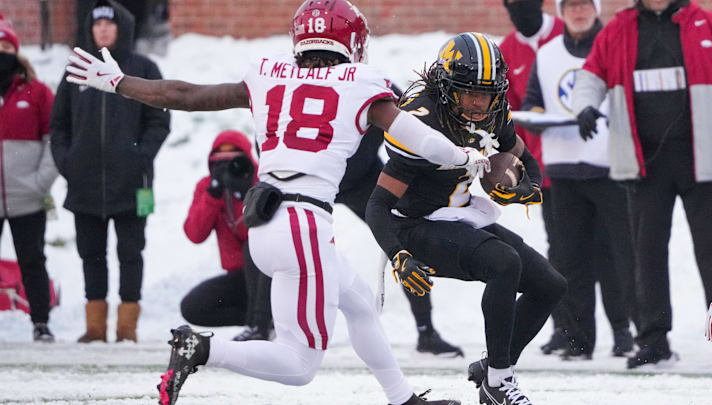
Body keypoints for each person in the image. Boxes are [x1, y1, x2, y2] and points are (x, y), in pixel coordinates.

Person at [64, 1, 488, 403]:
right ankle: (203, 349)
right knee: (300, 363)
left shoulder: (269, 74)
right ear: (352, 41)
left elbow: (185, 94)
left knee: (359, 303)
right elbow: (416, 137)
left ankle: (402, 398)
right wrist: (464, 157)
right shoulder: (362, 83)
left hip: (266, 219)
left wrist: (119, 82)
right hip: (303, 222)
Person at [365, 33, 567, 405]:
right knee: (504, 263)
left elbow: (527, 161)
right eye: (468, 92)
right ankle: (499, 382)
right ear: (445, 89)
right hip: (415, 225)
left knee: (550, 285)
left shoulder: (493, 111)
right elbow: (377, 206)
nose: (478, 103)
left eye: (486, 93)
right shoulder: (420, 121)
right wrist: (398, 254)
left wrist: (527, 187)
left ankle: (492, 368)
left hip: (459, 213)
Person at [236, 83, 464, 358]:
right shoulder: (295, 84)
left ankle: (426, 330)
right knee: (269, 225)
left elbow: (412, 120)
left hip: (359, 177)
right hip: (311, 181)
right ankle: (260, 325)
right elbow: (267, 134)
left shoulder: (371, 84)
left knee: (404, 240)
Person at [572, 0, 712, 367]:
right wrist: (585, 107)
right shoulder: (618, 29)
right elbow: (590, 76)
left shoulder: (708, 24)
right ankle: (654, 341)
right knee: (647, 253)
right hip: (644, 162)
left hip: (704, 159)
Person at [521, 0, 636, 360]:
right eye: (570, 5)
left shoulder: (614, 43)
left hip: (610, 167)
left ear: (596, 8)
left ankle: (624, 332)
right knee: (570, 261)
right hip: (564, 170)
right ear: (560, 11)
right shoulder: (548, 53)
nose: (578, 11)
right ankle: (578, 339)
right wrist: (536, 116)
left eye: (585, 4)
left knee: (619, 256)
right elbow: (533, 101)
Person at [50, 0, 170, 343]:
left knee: (131, 254)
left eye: (109, 24)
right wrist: (68, 162)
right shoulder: (76, 71)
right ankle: (95, 327)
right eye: (97, 24)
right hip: (84, 185)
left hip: (134, 186)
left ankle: (127, 328)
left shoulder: (144, 69)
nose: (102, 30)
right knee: (91, 254)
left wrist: (139, 157)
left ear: (123, 28)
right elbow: (58, 127)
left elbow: (159, 121)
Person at [499, 0, 567, 354]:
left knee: (608, 246)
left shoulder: (563, 33)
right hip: (543, 165)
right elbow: (505, 112)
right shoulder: (508, 50)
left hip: (582, 157)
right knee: (561, 248)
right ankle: (568, 330)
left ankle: (623, 329)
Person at [0, 14, 58, 342]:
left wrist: (41, 182)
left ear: (17, 51)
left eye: (7, 46)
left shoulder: (37, 92)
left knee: (33, 260)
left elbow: (55, 141)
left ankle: (40, 321)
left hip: (27, 198)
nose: (2, 52)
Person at [180, 130, 268, 333]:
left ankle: (260, 325)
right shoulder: (207, 188)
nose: (228, 170)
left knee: (252, 247)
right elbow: (195, 234)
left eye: (234, 163)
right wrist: (213, 195)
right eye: (219, 164)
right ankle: (254, 320)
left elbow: (262, 237)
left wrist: (246, 195)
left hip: (268, 274)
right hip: (239, 278)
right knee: (193, 307)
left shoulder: (262, 183)